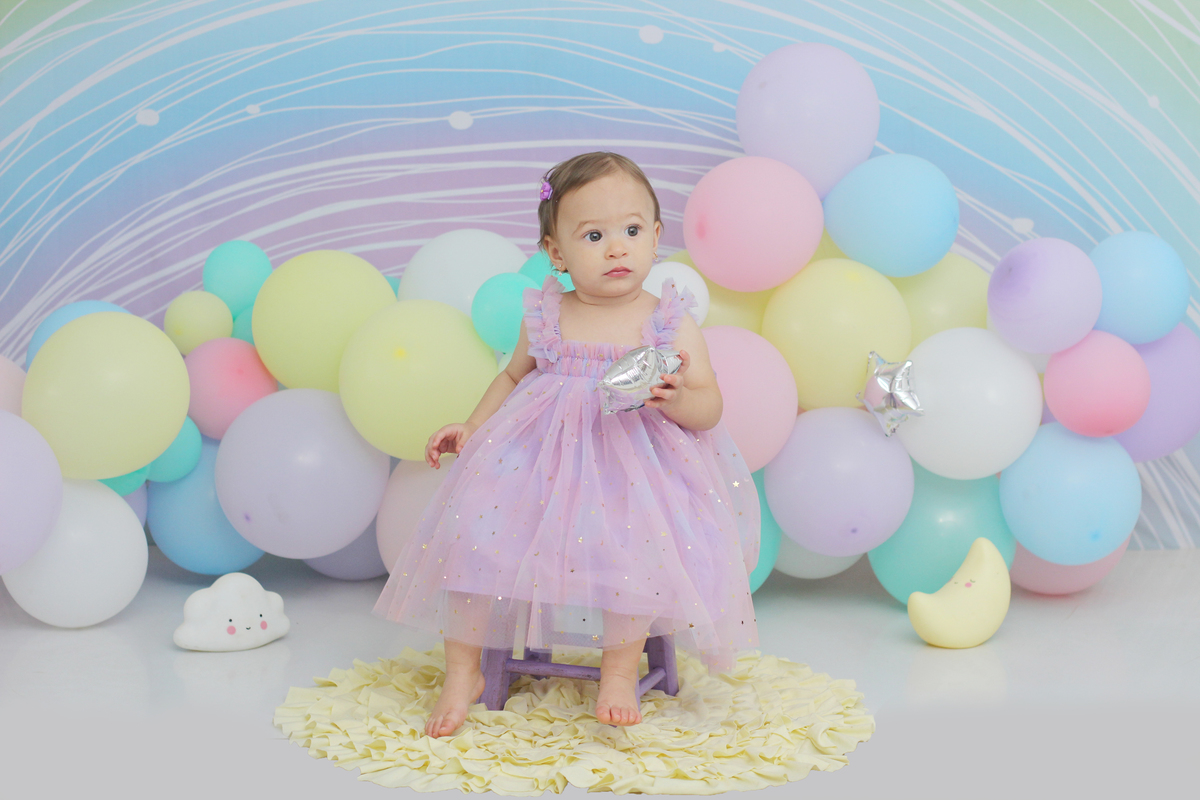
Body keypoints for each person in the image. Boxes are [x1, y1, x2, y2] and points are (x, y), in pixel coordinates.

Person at [373, 151, 760, 739]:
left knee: (635, 555)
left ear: (657, 237)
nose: (616, 248)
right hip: (540, 465)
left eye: (632, 231)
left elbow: (710, 407)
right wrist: (473, 427)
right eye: (594, 236)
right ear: (556, 253)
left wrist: (677, 397)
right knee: (475, 534)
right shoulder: (549, 315)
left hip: (633, 475)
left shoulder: (669, 324)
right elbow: (512, 376)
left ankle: (618, 672)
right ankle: (462, 671)